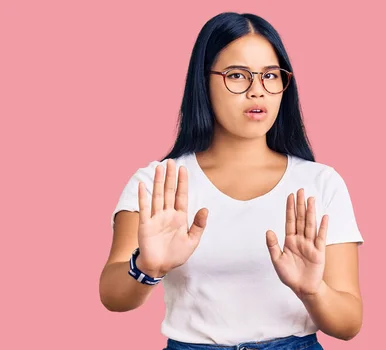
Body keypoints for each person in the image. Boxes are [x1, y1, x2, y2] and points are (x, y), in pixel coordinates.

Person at [99, 12, 364, 350]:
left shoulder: (321, 183)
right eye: (237, 75)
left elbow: (348, 324)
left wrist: (313, 290)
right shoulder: (159, 182)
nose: (258, 91)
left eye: (270, 76)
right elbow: (112, 296)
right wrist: (147, 265)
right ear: (203, 82)